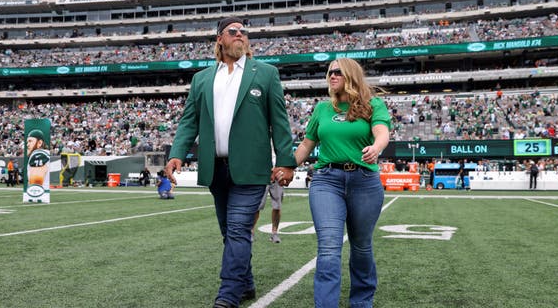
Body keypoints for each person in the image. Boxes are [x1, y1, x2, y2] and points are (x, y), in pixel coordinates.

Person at [165, 17, 296, 308]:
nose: (240, 35)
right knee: (229, 232)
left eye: (243, 31)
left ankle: (228, 295)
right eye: (232, 31)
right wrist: (176, 154)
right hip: (215, 169)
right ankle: (246, 283)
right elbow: (189, 122)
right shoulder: (201, 79)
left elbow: (280, 122)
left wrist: (287, 162)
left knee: (238, 229)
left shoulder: (265, 74)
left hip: (251, 169)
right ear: (220, 40)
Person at [292, 58, 391, 308]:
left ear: (351, 76)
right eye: (329, 73)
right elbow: (306, 144)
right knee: (328, 248)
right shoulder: (322, 109)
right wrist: (285, 166)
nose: (332, 76)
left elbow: (382, 132)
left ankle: (361, 302)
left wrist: (376, 147)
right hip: (326, 181)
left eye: (338, 72)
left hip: (365, 182)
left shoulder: (372, 104)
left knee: (361, 247)